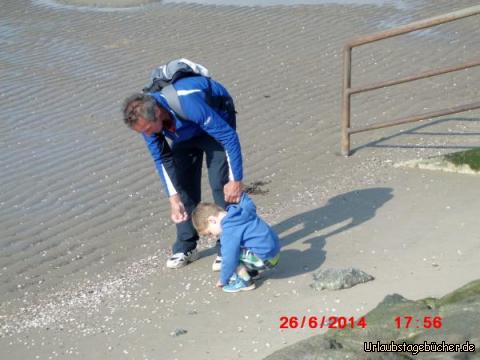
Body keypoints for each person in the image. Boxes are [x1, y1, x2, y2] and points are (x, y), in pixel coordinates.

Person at [122, 74, 243, 270]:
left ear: (157, 112)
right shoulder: (147, 125)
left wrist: (236, 179)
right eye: (142, 132)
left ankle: (228, 245)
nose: (147, 134)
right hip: (184, 132)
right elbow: (162, 159)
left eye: (147, 129)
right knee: (182, 186)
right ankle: (186, 246)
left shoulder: (188, 102)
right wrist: (173, 198)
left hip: (215, 122)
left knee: (221, 184)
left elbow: (229, 137)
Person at [191, 193, 280, 293]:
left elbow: (229, 260)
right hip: (276, 252)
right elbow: (248, 202)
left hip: (265, 259)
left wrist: (223, 279)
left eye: (210, 233)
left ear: (212, 220)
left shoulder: (228, 231)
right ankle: (253, 272)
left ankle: (245, 282)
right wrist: (240, 194)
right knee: (245, 242)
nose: (214, 236)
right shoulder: (241, 210)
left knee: (231, 255)